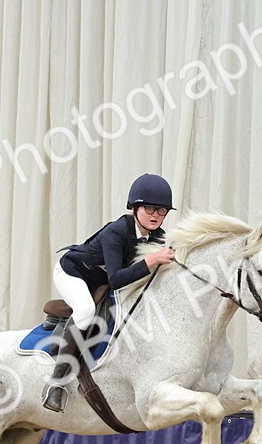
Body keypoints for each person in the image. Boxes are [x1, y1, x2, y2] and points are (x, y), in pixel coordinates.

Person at [43, 173, 178, 412]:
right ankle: (56, 382)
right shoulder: (116, 232)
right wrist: (153, 258)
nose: (157, 215)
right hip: (72, 272)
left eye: (162, 210)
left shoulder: (158, 236)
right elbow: (116, 279)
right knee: (85, 310)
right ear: (135, 208)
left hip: (99, 279)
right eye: (150, 208)